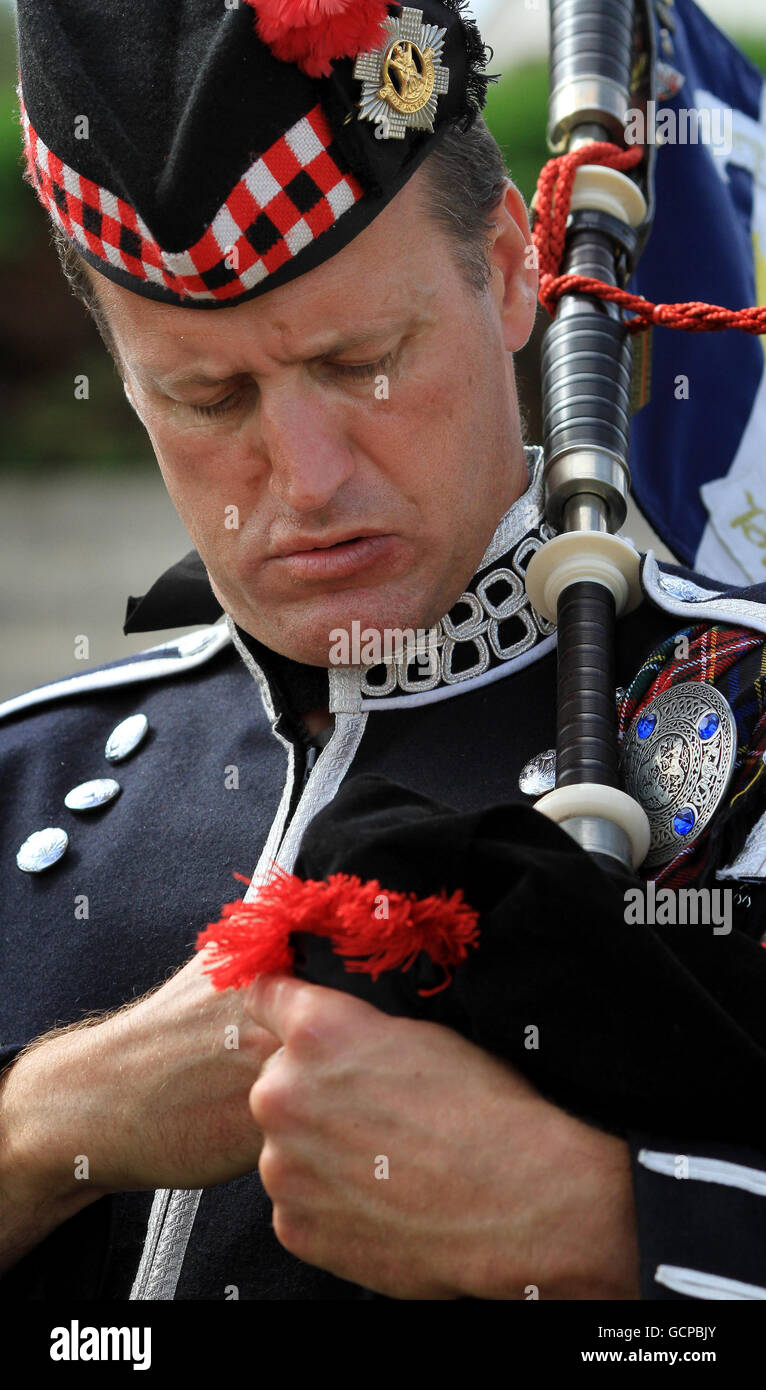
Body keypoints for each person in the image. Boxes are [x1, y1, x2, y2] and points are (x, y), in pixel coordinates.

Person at [2, 0, 766, 1303]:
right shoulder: (29, 770)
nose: (301, 481)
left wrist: (614, 1223)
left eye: (361, 362)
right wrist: (40, 1130)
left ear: (515, 263)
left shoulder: (737, 719)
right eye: (207, 395)